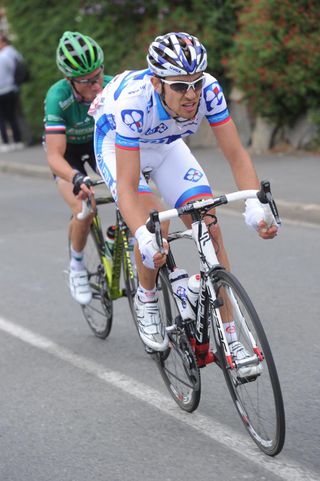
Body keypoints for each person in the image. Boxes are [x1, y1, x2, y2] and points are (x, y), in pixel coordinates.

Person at [89, 32, 278, 374]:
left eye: (196, 83)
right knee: (154, 224)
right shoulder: (135, 102)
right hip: (119, 143)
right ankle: (146, 299)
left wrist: (254, 206)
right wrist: (144, 237)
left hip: (167, 145)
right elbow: (130, 188)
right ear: (157, 83)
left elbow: (236, 154)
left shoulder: (210, 90)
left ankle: (231, 335)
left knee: (209, 225)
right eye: (179, 86)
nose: (191, 94)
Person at [44, 31, 112, 305]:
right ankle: (76, 266)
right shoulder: (57, 96)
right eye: (86, 81)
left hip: (98, 144)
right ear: (69, 80)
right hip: (68, 153)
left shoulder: (109, 86)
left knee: (133, 187)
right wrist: (76, 177)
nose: (96, 85)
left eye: (98, 76)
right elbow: (54, 156)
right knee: (85, 209)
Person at [0, 33, 24, 152]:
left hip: (3, 91)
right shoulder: (10, 54)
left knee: (2, 119)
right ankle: (17, 140)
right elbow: (13, 69)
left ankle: (6, 142)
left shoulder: (4, 55)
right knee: (12, 116)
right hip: (11, 89)